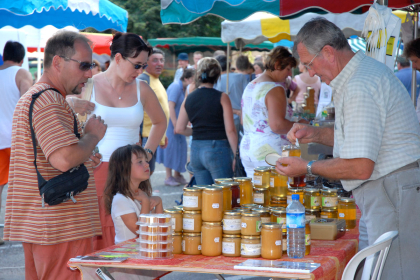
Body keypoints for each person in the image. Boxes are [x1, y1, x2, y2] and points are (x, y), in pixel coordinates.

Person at [277, 18, 420, 280]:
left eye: (309, 64)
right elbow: (359, 138)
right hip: (391, 189)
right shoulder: (360, 75)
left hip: (391, 189)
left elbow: (360, 165)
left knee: (394, 272)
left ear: (329, 53)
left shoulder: (358, 86)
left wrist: (306, 167)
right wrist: (315, 134)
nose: (310, 73)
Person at [3, 31, 107, 279]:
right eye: (84, 65)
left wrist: (83, 152)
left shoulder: (38, 97)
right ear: (58, 62)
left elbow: (48, 155)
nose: (90, 73)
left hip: (43, 224)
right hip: (59, 226)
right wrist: (92, 136)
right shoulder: (49, 99)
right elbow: (62, 159)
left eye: (91, 65)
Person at [69, 34, 167, 250]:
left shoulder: (142, 88)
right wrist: (83, 147)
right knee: (98, 235)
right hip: (95, 170)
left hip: (129, 174)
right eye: (137, 65)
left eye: (143, 65)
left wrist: (147, 154)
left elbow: (160, 121)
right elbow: (63, 118)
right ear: (119, 58)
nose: (141, 71)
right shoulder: (88, 85)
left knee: (131, 233)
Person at [240, 46, 301, 177]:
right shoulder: (275, 88)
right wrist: (301, 125)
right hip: (269, 152)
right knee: (277, 194)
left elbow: (243, 120)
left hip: (248, 149)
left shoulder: (251, 85)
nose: (290, 74)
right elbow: (277, 125)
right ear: (277, 65)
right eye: (288, 69)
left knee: (257, 194)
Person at [176, 58, 238, 184]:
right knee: (223, 194)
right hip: (218, 148)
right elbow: (230, 130)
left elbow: (180, 129)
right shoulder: (222, 97)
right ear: (218, 76)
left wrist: (200, 131)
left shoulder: (189, 97)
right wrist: (236, 154)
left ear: (198, 75)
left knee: (205, 197)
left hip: (196, 150)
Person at [0, 41, 33, 246]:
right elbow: (27, 103)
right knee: (27, 185)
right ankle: (25, 229)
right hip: (16, 139)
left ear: (4, 56)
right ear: (22, 58)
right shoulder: (22, 73)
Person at [104, 145, 163, 244]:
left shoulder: (141, 194)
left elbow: (159, 229)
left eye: (146, 161)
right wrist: (145, 201)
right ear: (124, 168)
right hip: (127, 255)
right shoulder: (121, 199)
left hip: (142, 253)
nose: (147, 165)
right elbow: (142, 232)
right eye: (140, 162)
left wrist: (159, 202)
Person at [157, 69, 195, 186]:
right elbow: (170, 106)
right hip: (170, 123)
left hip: (178, 122)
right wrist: (175, 124)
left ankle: (177, 175)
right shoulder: (175, 87)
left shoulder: (183, 88)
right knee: (170, 148)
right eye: (193, 79)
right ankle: (168, 177)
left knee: (180, 148)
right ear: (186, 79)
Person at [137, 48, 170, 176]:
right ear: (146, 63)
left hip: (153, 135)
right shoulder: (144, 79)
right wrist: (138, 136)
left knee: (149, 171)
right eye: (155, 60)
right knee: (144, 173)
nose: (159, 63)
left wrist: (163, 134)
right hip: (146, 137)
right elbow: (138, 109)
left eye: (161, 60)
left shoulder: (155, 79)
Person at [214, 55, 250, 142]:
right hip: (241, 115)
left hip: (224, 117)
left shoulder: (216, 80)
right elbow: (248, 97)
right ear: (229, 64)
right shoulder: (240, 77)